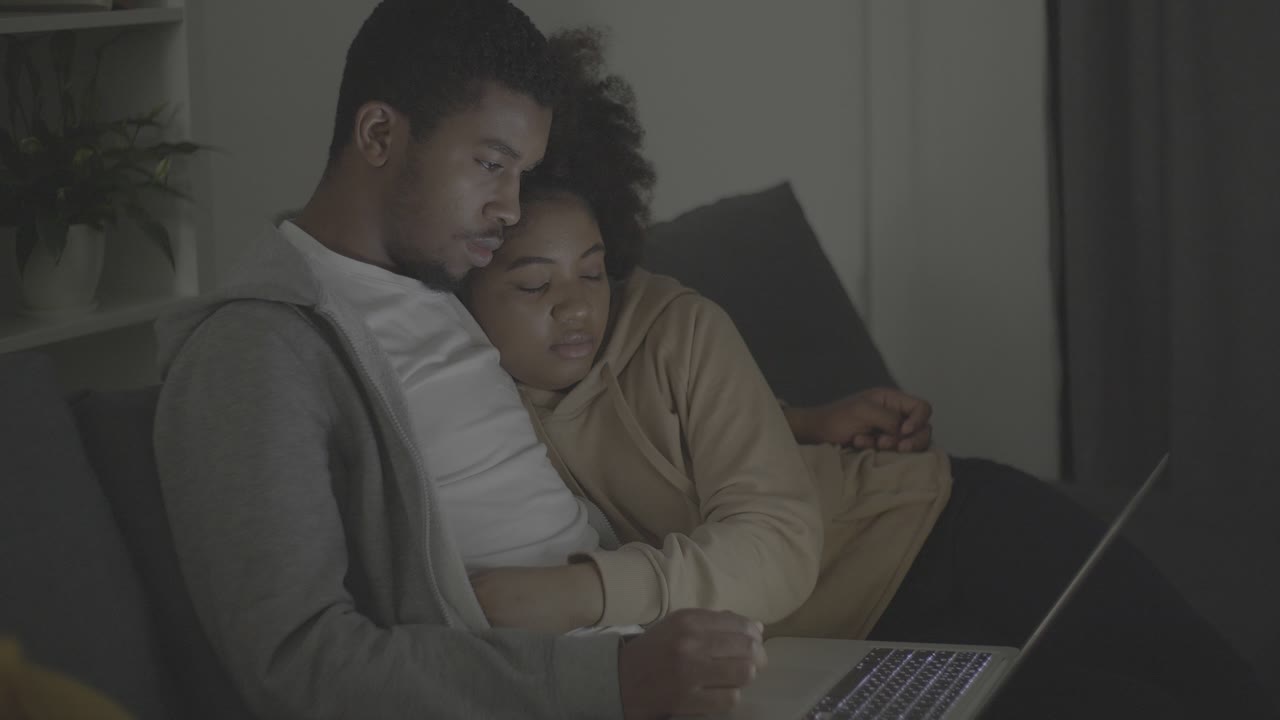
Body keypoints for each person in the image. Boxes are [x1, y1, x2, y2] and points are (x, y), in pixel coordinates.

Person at [461, 28, 1280, 718]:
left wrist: (578, 592)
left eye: (594, 271)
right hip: (858, 649)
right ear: (461, 282)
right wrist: (799, 423)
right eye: (534, 285)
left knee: (1220, 696)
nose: (575, 307)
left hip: (951, 533)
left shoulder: (673, 321)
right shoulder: (463, 410)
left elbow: (774, 541)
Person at [152, 2, 765, 719]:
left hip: (645, 650)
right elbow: (297, 664)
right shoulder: (255, 350)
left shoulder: (446, 285)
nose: (510, 208)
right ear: (379, 133)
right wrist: (614, 678)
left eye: (522, 173)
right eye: (490, 164)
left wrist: (798, 422)